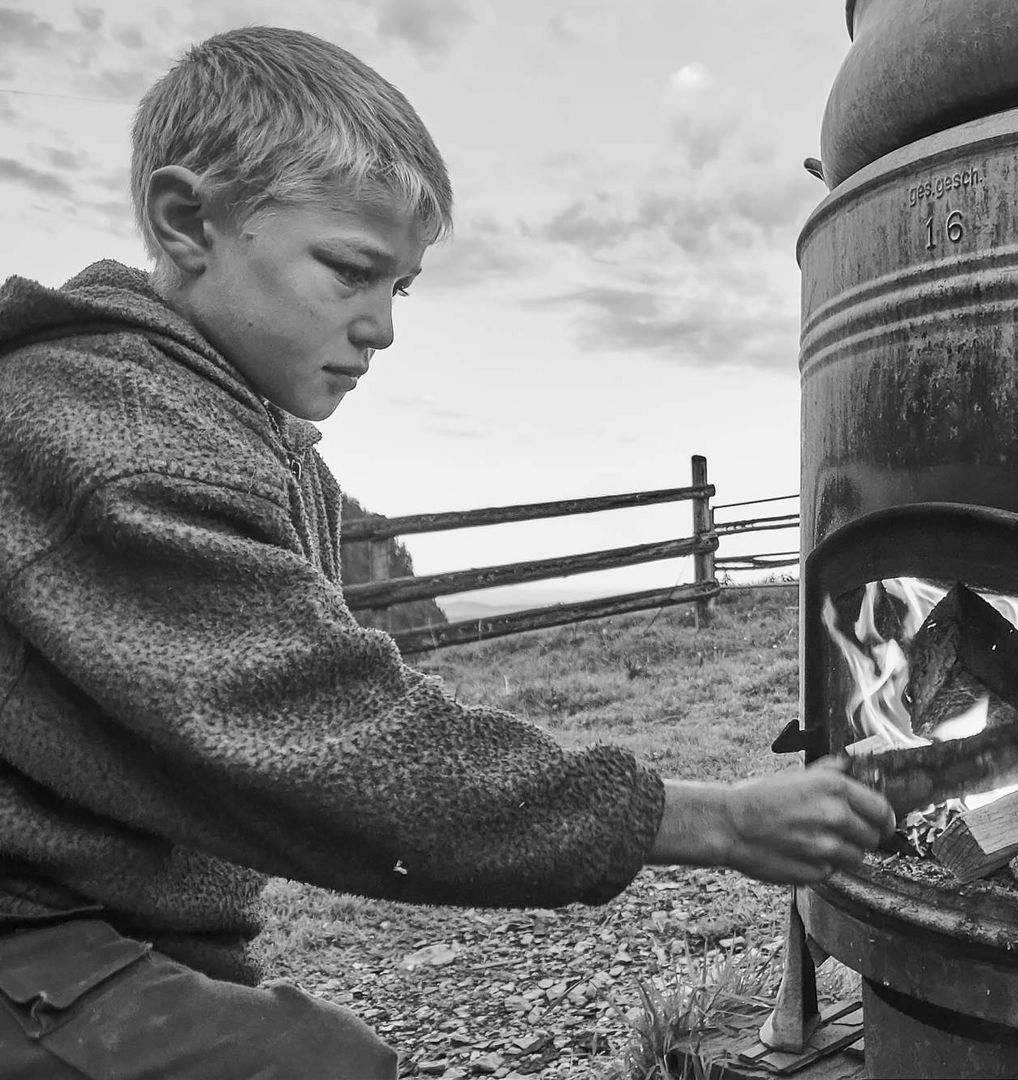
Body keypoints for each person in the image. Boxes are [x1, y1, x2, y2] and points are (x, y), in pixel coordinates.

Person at [0, 26, 894, 1080]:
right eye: (350, 272)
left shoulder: (227, 425)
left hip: (101, 921)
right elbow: (334, 745)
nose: (381, 328)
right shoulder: (120, 443)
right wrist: (717, 823)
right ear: (187, 219)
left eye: (401, 289)